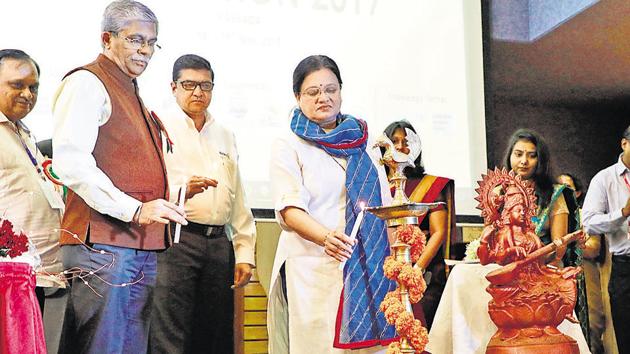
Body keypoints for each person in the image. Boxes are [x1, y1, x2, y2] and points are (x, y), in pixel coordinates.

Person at [52, 1, 187, 353]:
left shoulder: (130, 87)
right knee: (103, 347)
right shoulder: (87, 82)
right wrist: (137, 210)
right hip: (103, 245)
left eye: (151, 42)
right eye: (135, 40)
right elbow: (71, 164)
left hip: (137, 245)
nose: (145, 50)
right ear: (106, 38)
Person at [267, 55, 396, 353]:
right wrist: (326, 238)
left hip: (368, 265)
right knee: (320, 345)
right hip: (313, 266)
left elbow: (384, 208)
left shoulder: (365, 142)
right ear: (297, 96)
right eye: (313, 92)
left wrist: (397, 260)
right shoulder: (289, 144)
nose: (323, 97)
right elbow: (289, 209)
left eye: (331, 89)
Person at [149, 54, 256, 353]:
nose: (198, 92)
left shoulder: (224, 133)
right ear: (173, 87)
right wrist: (183, 190)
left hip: (219, 244)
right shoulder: (156, 126)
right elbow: (144, 190)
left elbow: (238, 198)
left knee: (216, 333)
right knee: (170, 334)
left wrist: (244, 251)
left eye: (205, 85)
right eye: (189, 85)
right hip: (175, 240)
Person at [0, 49, 64, 352]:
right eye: (17, 85)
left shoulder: (21, 132)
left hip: (35, 275)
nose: (27, 94)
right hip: (7, 280)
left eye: (33, 87)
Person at [503, 129, 588, 339]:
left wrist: (531, 260)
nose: (524, 161)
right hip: (504, 272)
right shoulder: (498, 193)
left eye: (532, 155)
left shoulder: (554, 195)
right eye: (519, 154)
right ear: (509, 156)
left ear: (540, 160)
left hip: (544, 273)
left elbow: (559, 251)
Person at [382, 120, 456, 330]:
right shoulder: (377, 187)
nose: (400, 147)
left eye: (406, 141)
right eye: (394, 141)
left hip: (424, 274)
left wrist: (416, 270)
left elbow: (439, 232)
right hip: (384, 272)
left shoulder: (430, 185)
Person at [582, 125, 630, 354]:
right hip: (625, 267)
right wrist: (623, 213)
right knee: (627, 335)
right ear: (624, 144)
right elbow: (589, 222)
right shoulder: (604, 179)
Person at [559, 172, 611, 354]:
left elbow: (594, 249)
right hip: (555, 280)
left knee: (591, 327)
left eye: (567, 188)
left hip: (584, 278)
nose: (562, 192)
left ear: (578, 193)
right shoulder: (548, 217)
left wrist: (568, 245)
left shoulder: (586, 216)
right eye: (558, 189)